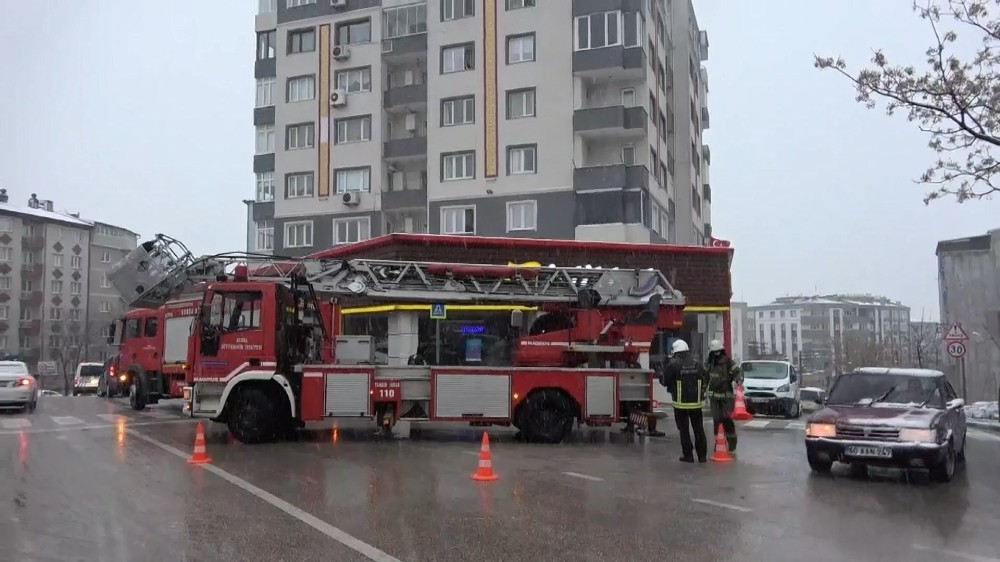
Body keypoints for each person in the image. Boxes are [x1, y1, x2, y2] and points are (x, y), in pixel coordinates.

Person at [662, 339, 709, 463]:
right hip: (696, 404)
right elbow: (706, 377)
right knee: (698, 429)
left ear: (676, 353)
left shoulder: (673, 366)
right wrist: (701, 391)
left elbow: (664, 381)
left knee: (684, 430)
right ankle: (702, 456)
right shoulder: (697, 365)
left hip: (680, 404)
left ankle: (688, 455)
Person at [705, 339, 742, 452]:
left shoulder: (728, 362)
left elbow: (738, 371)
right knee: (717, 420)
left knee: (727, 419)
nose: (717, 355)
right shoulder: (709, 363)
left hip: (727, 396)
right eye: (715, 352)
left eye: (718, 352)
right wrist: (701, 391)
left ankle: (732, 443)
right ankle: (719, 443)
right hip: (714, 397)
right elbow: (704, 377)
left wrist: (738, 379)